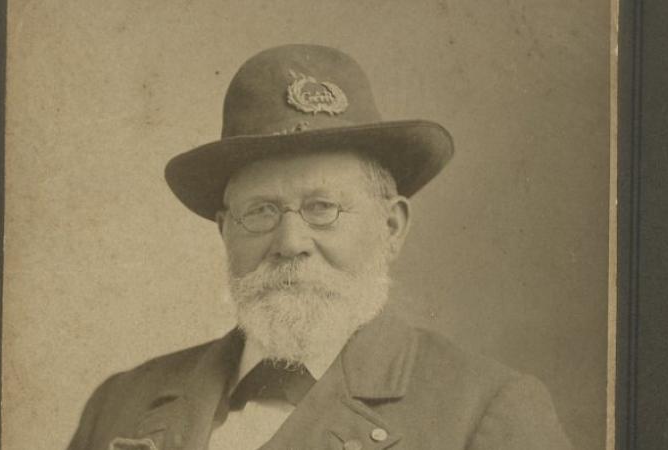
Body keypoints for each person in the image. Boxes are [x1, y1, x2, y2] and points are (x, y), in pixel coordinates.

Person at [67, 44, 572, 450]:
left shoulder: (484, 410)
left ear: (391, 227)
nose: (289, 243)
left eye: (322, 208)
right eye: (261, 211)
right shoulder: (122, 405)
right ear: (226, 231)